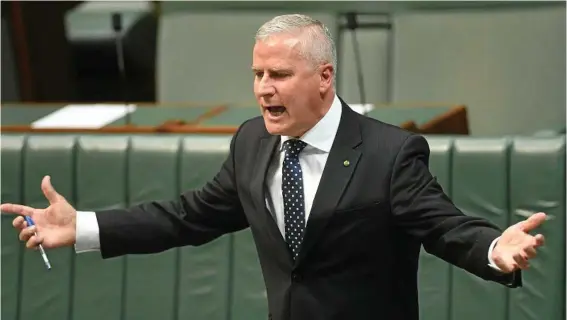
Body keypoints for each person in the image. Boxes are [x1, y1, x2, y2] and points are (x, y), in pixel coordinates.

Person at [1, 14, 547, 320]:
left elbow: (443, 226)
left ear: (325, 77)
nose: (264, 88)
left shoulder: (388, 153)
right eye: (258, 74)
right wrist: (82, 228)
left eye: (279, 74)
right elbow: (185, 217)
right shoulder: (251, 145)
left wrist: (495, 249)